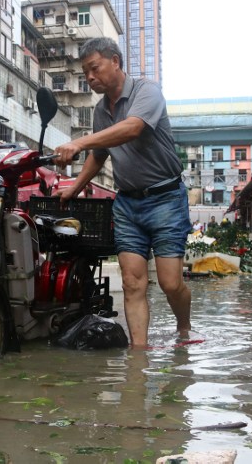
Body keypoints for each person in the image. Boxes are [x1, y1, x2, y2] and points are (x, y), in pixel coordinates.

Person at [53, 37, 192, 348]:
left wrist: (78, 142)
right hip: (128, 203)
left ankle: (184, 328)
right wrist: (75, 188)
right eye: (85, 72)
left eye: (94, 68)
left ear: (115, 61)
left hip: (166, 198)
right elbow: (100, 153)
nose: (89, 78)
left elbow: (133, 128)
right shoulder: (102, 111)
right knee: (132, 283)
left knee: (171, 283)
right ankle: (139, 355)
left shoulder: (147, 91)